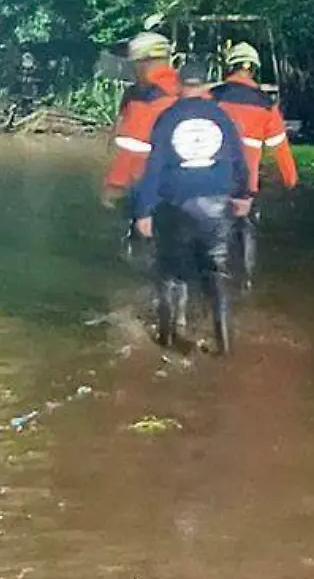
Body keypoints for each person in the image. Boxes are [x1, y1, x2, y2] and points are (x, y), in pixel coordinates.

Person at [132, 61, 252, 354]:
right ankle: (224, 347)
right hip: (217, 206)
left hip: (176, 205)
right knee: (217, 275)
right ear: (206, 85)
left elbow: (154, 169)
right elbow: (239, 161)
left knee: (171, 273)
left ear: (180, 85)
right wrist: (243, 195)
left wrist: (144, 210)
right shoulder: (222, 117)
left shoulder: (167, 118)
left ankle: (167, 339)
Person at [207, 42, 298, 285]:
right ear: (254, 70)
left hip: (213, 179)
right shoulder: (266, 105)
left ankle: (214, 277)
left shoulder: (212, 97)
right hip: (246, 183)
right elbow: (280, 149)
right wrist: (290, 180)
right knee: (246, 227)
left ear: (230, 67)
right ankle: (246, 278)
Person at [99, 31, 182, 211]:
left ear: (142, 63)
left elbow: (129, 150)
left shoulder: (144, 97)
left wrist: (114, 187)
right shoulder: (189, 92)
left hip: (149, 197)